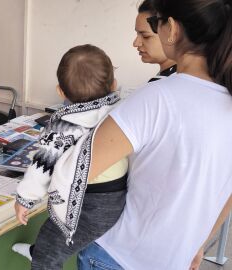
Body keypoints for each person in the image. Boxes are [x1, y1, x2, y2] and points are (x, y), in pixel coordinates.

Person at [74, 0, 232, 269]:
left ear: (171, 28)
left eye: (152, 26)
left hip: (118, 255)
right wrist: (198, 242)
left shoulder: (158, 98)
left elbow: (80, 167)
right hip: (173, 260)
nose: (139, 40)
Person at [13, 45, 128, 269]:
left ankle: (40, 254)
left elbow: (42, 166)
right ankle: (39, 249)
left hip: (90, 203)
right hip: (118, 196)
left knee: (49, 250)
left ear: (60, 91)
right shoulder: (120, 110)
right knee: (56, 236)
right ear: (113, 84)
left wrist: (24, 199)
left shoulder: (64, 124)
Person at [133, 0, 177, 82]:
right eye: (137, 34)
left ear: (172, 32)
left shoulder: (170, 86)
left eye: (146, 36)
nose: (135, 43)